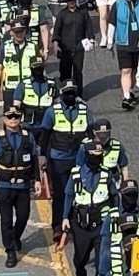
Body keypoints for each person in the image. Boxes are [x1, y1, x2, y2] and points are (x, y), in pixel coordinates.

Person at [0, 106, 42, 267]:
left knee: (23, 216)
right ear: (4, 119)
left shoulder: (27, 137)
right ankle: (10, 251)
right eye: (10, 116)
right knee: (6, 220)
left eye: (16, 116)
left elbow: (34, 159)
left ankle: (15, 237)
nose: (13, 119)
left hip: (23, 185)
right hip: (5, 186)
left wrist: (37, 180)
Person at [61, 142, 117, 276]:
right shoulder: (76, 174)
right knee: (80, 259)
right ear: (86, 156)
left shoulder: (106, 174)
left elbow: (114, 197)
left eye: (99, 157)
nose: (96, 160)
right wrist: (65, 217)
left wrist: (117, 216)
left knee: (102, 261)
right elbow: (69, 196)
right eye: (94, 156)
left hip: (102, 224)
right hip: (81, 225)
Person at [40, 83, 93, 231]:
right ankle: (58, 225)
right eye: (67, 93)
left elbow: (91, 132)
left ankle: (74, 222)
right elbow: (45, 134)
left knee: (79, 192)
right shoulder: (52, 112)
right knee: (60, 193)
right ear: (62, 94)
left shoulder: (84, 110)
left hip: (79, 158)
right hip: (59, 159)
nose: (70, 96)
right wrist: (42, 155)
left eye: (73, 93)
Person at [52, 0, 94, 93]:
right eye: (69, 0)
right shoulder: (62, 15)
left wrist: (91, 40)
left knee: (78, 71)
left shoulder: (83, 13)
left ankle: (78, 93)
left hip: (79, 46)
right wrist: (55, 44)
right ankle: (64, 91)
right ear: (66, 2)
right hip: (65, 48)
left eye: (73, 0)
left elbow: (89, 26)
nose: (71, 2)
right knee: (64, 71)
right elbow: (56, 30)